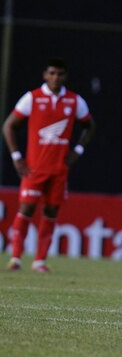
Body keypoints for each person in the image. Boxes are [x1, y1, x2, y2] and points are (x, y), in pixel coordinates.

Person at [3, 57, 95, 272]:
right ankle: (15, 258)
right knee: (26, 208)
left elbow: (90, 126)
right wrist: (17, 156)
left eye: (60, 73)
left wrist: (77, 151)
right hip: (34, 168)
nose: (56, 77)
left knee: (51, 212)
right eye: (52, 73)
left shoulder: (74, 101)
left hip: (59, 170)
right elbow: (9, 125)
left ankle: (39, 261)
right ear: (45, 75)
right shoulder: (32, 98)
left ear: (65, 76)